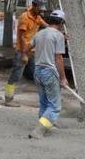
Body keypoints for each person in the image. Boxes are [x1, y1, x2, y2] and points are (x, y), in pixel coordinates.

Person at [29, 9, 69, 139]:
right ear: (62, 22)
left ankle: (46, 123)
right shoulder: (58, 36)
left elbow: (26, 48)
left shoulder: (40, 33)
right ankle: (39, 130)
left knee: (44, 102)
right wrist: (63, 78)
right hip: (49, 72)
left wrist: (39, 53)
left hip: (37, 71)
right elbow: (59, 58)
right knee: (55, 106)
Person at [4, 0, 47, 106]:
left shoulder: (37, 16)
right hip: (22, 50)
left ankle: (45, 99)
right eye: (40, 8)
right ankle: (8, 99)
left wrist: (59, 33)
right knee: (16, 75)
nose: (41, 11)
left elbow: (46, 26)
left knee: (36, 74)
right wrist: (23, 54)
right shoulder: (25, 17)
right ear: (34, 6)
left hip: (31, 50)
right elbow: (22, 37)